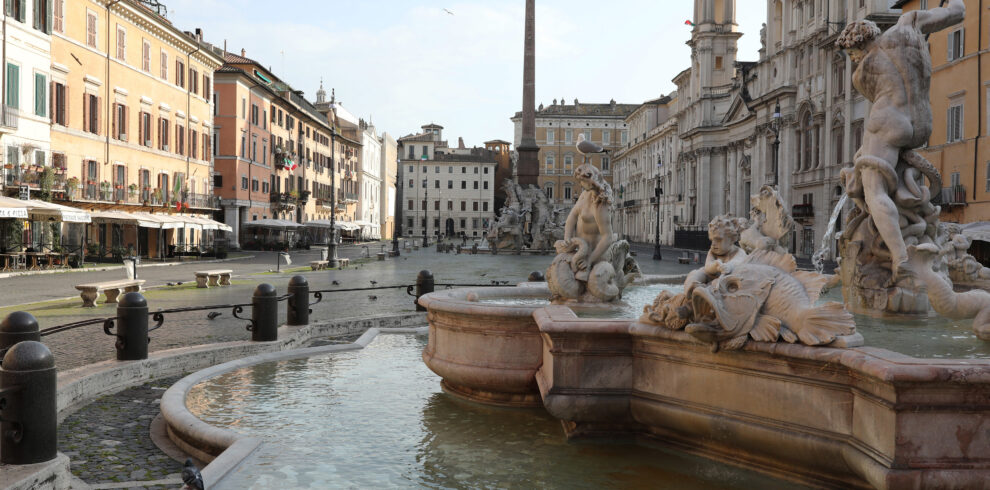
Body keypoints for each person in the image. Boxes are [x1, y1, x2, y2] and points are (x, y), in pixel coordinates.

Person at [836, 0, 964, 281]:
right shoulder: (907, 26)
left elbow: (878, 97)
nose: (853, 59)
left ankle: (901, 256)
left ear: (856, 48)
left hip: (888, 120)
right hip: (920, 122)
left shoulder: (861, 74)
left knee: (873, 188)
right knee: (866, 163)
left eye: (851, 54)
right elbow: (957, 11)